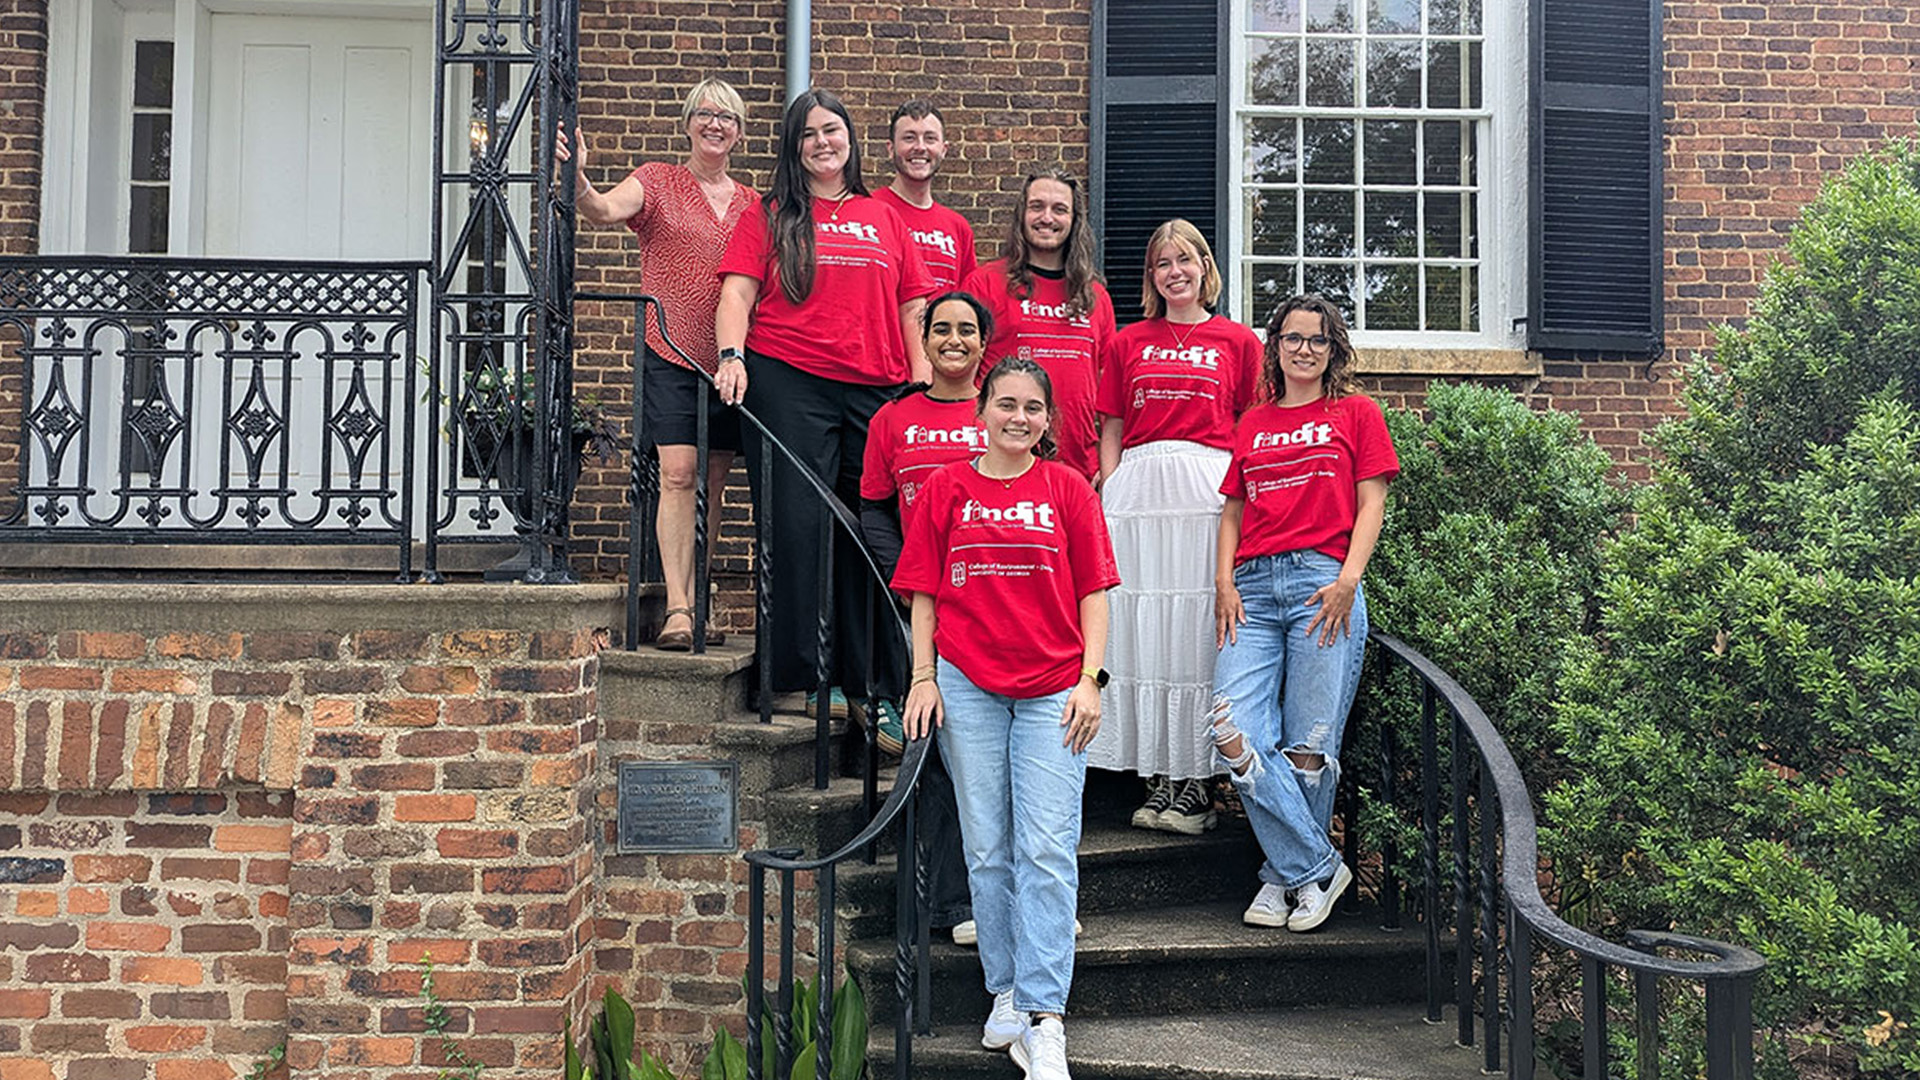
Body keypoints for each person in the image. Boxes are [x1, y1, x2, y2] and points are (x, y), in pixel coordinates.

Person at [894, 356, 1118, 1080]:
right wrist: (923, 677)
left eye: (1033, 408)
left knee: (1047, 848)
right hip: (967, 683)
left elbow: (1095, 594)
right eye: (1007, 404)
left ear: (1048, 421)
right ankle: (1005, 993)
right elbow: (923, 595)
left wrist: (1091, 680)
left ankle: (1045, 1015)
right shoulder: (944, 489)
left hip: (1056, 686)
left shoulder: (1069, 489)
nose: (1019, 418)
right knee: (988, 848)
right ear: (982, 410)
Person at [715, 88, 934, 712]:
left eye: (832, 130)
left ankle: (874, 681)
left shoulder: (884, 215)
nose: (822, 142)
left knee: (873, 528)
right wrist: (731, 356)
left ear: (850, 140)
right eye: (808, 133)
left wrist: (919, 384)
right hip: (789, 378)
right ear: (794, 146)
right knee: (798, 525)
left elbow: (912, 306)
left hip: (877, 387)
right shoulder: (771, 212)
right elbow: (737, 295)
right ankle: (794, 681)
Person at [1209, 294, 1399, 933]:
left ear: (1333, 348)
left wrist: (1350, 579)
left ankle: (1282, 879)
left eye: (1318, 340)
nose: (1305, 350)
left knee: (1309, 747)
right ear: (1276, 345)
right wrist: (1222, 582)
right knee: (1231, 727)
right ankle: (1313, 866)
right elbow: (1232, 510)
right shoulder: (1254, 423)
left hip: (1324, 582)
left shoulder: (1356, 412)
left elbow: (1370, 504)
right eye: (1293, 338)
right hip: (1254, 591)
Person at [558, 78, 756, 650]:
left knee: (714, 481)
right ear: (688, 122)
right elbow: (601, 210)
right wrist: (579, 181)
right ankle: (676, 607)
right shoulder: (658, 180)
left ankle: (700, 601)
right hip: (670, 350)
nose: (715, 124)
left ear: (740, 132)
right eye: (705, 113)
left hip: (728, 360)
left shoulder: (750, 203)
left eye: (727, 116)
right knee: (678, 473)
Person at [1086, 220, 1262, 835]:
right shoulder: (1128, 341)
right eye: (1162, 263)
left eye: (1185, 259)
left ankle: (1195, 781)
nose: (1174, 272)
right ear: (1151, 276)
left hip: (1206, 490)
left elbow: (1249, 422)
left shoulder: (1238, 340)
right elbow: (1109, 423)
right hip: (1138, 492)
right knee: (1139, 627)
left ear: (1204, 266)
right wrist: (1111, 488)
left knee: (1193, 627)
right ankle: (1156, 776)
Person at [858, 291, 992, 944]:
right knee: (934, 752)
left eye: (967, 330)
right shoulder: (894, 419)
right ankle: (951, 903)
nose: (954, 340)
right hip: (923, 610)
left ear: (982, 343)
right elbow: (874, 509)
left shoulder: (1000, 412)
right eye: (942, 329)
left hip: (996, 610)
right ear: (927, 340)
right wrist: (907, 577)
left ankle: (1003, 893)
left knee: (995, 757)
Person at [962, 168, 1115, 483]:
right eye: (1037, 207)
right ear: (1022, 214)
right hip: (1002, 462)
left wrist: (1106, 462)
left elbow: (1108, 391)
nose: (1047, 217)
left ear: (1074, 221)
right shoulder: (984, 283)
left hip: (1080, 468)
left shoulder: (1096, 297)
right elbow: (962, 377)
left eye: (1059, 209)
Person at [872, 100, 977, 292]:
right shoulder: (869, 211)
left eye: (930, 139)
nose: (920, 147)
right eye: (909, 138)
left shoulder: (959, 228)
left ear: (943, 149)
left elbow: (965, 303)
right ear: (890, 148)